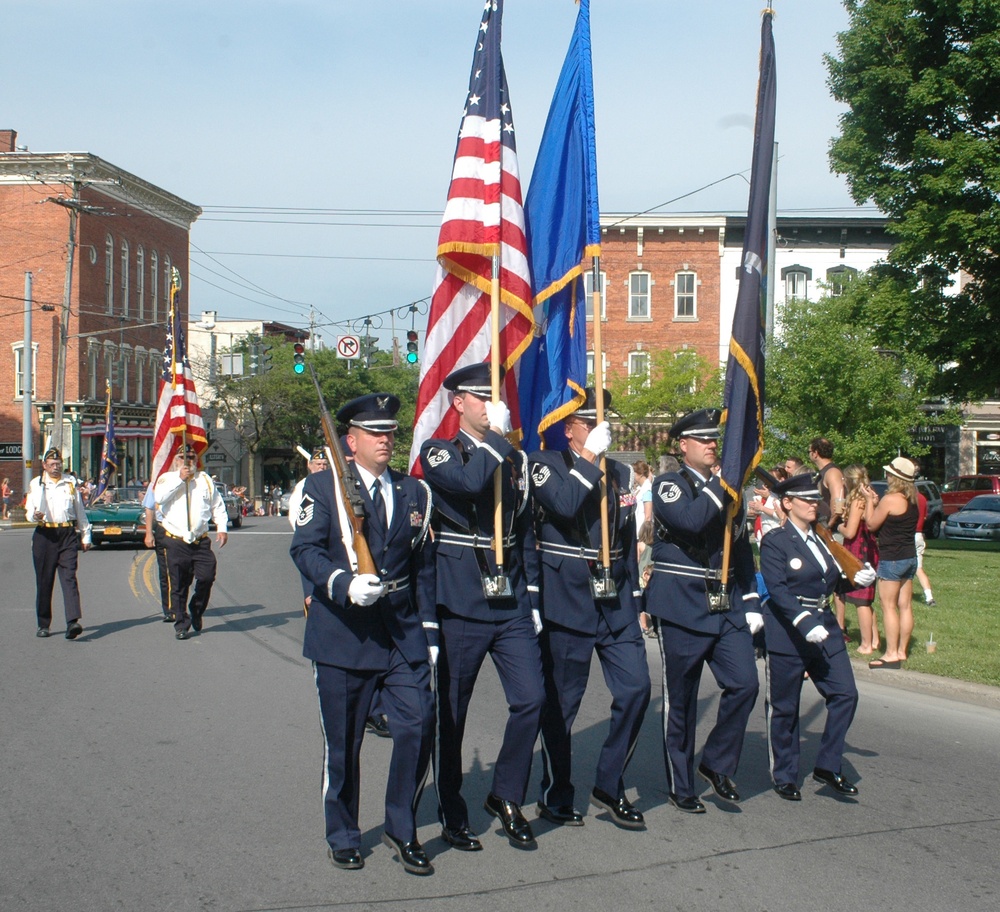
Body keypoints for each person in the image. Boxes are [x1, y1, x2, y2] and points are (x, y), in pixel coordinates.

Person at [290, 393, 437, 875]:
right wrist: (343, 583)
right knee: (345, 744)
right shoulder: (322, 487)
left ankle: (402, 826)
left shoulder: (414, 492)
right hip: (344, 633)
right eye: (375, 432)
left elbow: (422, 566)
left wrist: (429, 630)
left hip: (400, 630)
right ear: (349, 441)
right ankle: (344, 832)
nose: (386, 439)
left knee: (417, 724)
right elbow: (306, 550)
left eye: (390, 431)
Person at [419, 363, 545, 852]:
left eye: (496, 399)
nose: (492, 406)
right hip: (461, 599)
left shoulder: (512, 460)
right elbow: (470, 484)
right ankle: (451, 805)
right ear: (458, 403)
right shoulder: (439, 450)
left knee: (531, 699)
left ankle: (506, 795)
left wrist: (532, 594)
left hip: (509, 598)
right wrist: (497, 436)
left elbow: (525, 532)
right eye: (481, 398)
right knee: (452, 713)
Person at [528, 388, 651, 831]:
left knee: (637, 688)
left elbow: (626, 541)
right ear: (569, 428)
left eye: (604, 420)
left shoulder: (620, 472)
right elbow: (562, 504)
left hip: (615, 599)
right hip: (567, 599)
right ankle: (556, 792)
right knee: (562, 705)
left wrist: (637, 600)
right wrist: (589, 460)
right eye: (589, 421)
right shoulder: (544, 464)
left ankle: (609, 782)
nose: (602, 428)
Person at [644, 408, 762, 813]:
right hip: (681, 603)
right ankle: (682, 784)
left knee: (745, 683)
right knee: (682, 700)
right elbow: (691, 522)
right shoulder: (668, 485)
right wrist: (724, 483)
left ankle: (715, 762)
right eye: (704, 440)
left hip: (725, 604)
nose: (713, 445)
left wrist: (750, 600)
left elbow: (741, 547)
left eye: (716, 439)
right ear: (683, 446)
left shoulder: (730, 491)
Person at [759, 473, 875, 800]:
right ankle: (785, 774)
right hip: (789, 630)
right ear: (787, 504)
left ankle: (827, 764)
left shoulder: (823, 540)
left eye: (815, 499)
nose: (814, 504)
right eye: (807, 500)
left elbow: (832, 583)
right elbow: (777, 589)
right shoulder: (776, 540)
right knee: (785, 706)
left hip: (825, 627)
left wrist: (856, 580)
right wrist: (802, 620)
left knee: (845, 694)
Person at [152, 444, 228, 640]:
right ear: (176, 459)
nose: (188, 461)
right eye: (183, 457)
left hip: (200, 540)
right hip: (176, 540)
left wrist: (221, 528)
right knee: (178, 584)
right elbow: (159, 498)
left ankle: (196, 608)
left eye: (192, 457)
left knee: (207, 576)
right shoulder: (167, 479)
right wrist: (180, 479)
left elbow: (217, 505)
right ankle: (181, 624)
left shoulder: (205, 480)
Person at [25, 448, 92, 638]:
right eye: (52, 464)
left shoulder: (69, 482)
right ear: (44, 466)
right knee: (45, 580)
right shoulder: (37, 484)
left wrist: (85, 535)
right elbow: (29, 510)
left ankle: (73, 621)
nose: (56, 467)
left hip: (67, 534)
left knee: (69, 577)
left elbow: (79, 511)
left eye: (59, 464)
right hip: (45, 534)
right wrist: (34, 515)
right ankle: (43, 624)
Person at [866, 456, 920, 668]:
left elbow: (871, 525)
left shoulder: (890, 499)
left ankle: (890, 654)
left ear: (895, 477)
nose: (886, 476)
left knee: (888, 606)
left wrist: (870, 502)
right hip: (909, 557)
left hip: (892, 558)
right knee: (905, 606)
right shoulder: (914, 498)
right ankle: (902, 651)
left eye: (889, 473)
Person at [840, 464, 880, 654]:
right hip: (869, 548)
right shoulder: (869, 497)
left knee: (861, 600)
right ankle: (875, 640)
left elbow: (850, 531)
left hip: (859, 551)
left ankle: (866, 644)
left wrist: (839, 526)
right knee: (867, 599)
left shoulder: (857, 501)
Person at [143, 453, 184, 623]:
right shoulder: (159, 481)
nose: (183, 461)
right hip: (164, 529)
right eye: (180, 457)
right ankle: (171, 609)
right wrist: (148, 532)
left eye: (187, 457)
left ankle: (180, 602)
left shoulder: (193, 481)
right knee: (167, 570)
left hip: (185, 530)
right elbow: (150, 508)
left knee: (184, 570)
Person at [287, 448, 330, 530]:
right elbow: (294, 511)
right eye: (318, 464)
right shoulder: (302, 485)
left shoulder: (332, 483)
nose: (322, 467)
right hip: (311, 530)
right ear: (310, 465)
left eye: (324, 464)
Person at [914, 485, 936, 606]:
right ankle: (929, 597)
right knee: (918, 568)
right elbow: (925, 516)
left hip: (908, 535)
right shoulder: (922, 498)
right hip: (919, 535)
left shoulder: (906, 498)